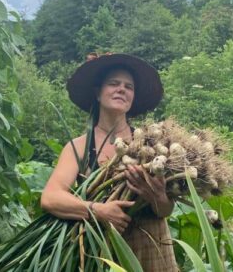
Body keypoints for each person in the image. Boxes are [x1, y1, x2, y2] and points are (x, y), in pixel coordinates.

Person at [41, 53, 179, 271]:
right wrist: (98, 211)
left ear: (133, 97)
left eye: (129, 86)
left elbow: (165, 210)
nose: (121, 89)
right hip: (105, 251)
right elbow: (50, 198)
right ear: (98, 93)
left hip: (153, 250)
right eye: (113, 83)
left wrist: (158, 196)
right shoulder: (79, 147)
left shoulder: (153, 144)